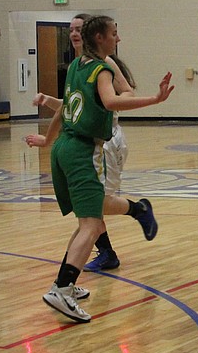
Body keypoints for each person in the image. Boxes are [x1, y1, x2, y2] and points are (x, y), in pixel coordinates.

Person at [39, 15, 174, 323]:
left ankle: (63, 284)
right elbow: (111, 102)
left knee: (89, 216)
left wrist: (48, 138)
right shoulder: (101, 70)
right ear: (100, 37)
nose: (118, 38)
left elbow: (67, 106)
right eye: (114, 33)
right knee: (90, 224)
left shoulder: (75, 66)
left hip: (63, 147)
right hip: (83, 149)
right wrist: (155, 99)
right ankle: (62, 288)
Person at [26, 14, 134, 272]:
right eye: (70, 29)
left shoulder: (103, 63)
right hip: (84, 137)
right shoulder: (77, 65)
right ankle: (97, 257)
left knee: (96, 204)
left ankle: (135, 213)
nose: (73, 33)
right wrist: (48, 124)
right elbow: (70, 108)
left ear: (89, 33)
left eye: (78, 29)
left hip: (106, 137)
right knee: (90, 207)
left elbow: (121, 95)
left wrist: (153, 100)